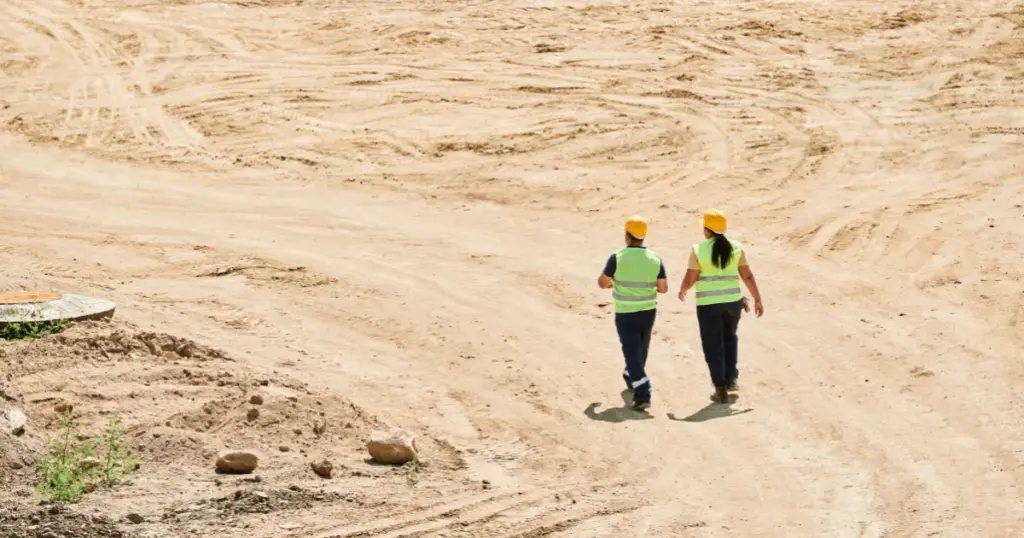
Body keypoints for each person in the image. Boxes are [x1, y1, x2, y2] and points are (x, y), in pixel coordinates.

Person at [677, 209, 764, 404]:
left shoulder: (699, 249)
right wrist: (757, 298)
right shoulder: (736, 247)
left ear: (706, 229)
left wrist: (683, 289)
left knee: (712, 345)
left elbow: (691, 278)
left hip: (708, 305)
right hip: (733, 302)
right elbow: (747, 275)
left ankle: (720, 389)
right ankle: (731, 378)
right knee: (730, 338)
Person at [597, 215, 669, 410]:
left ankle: (643, 392)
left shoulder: (617, 257)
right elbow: (663, 288)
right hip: (647, 311)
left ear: (627, 236)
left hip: (625, 312)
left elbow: (602, 282)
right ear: (643, 237)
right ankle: (631, 375)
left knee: (630, 350)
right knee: (642, 348)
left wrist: (614, 283)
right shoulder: (655, 258)